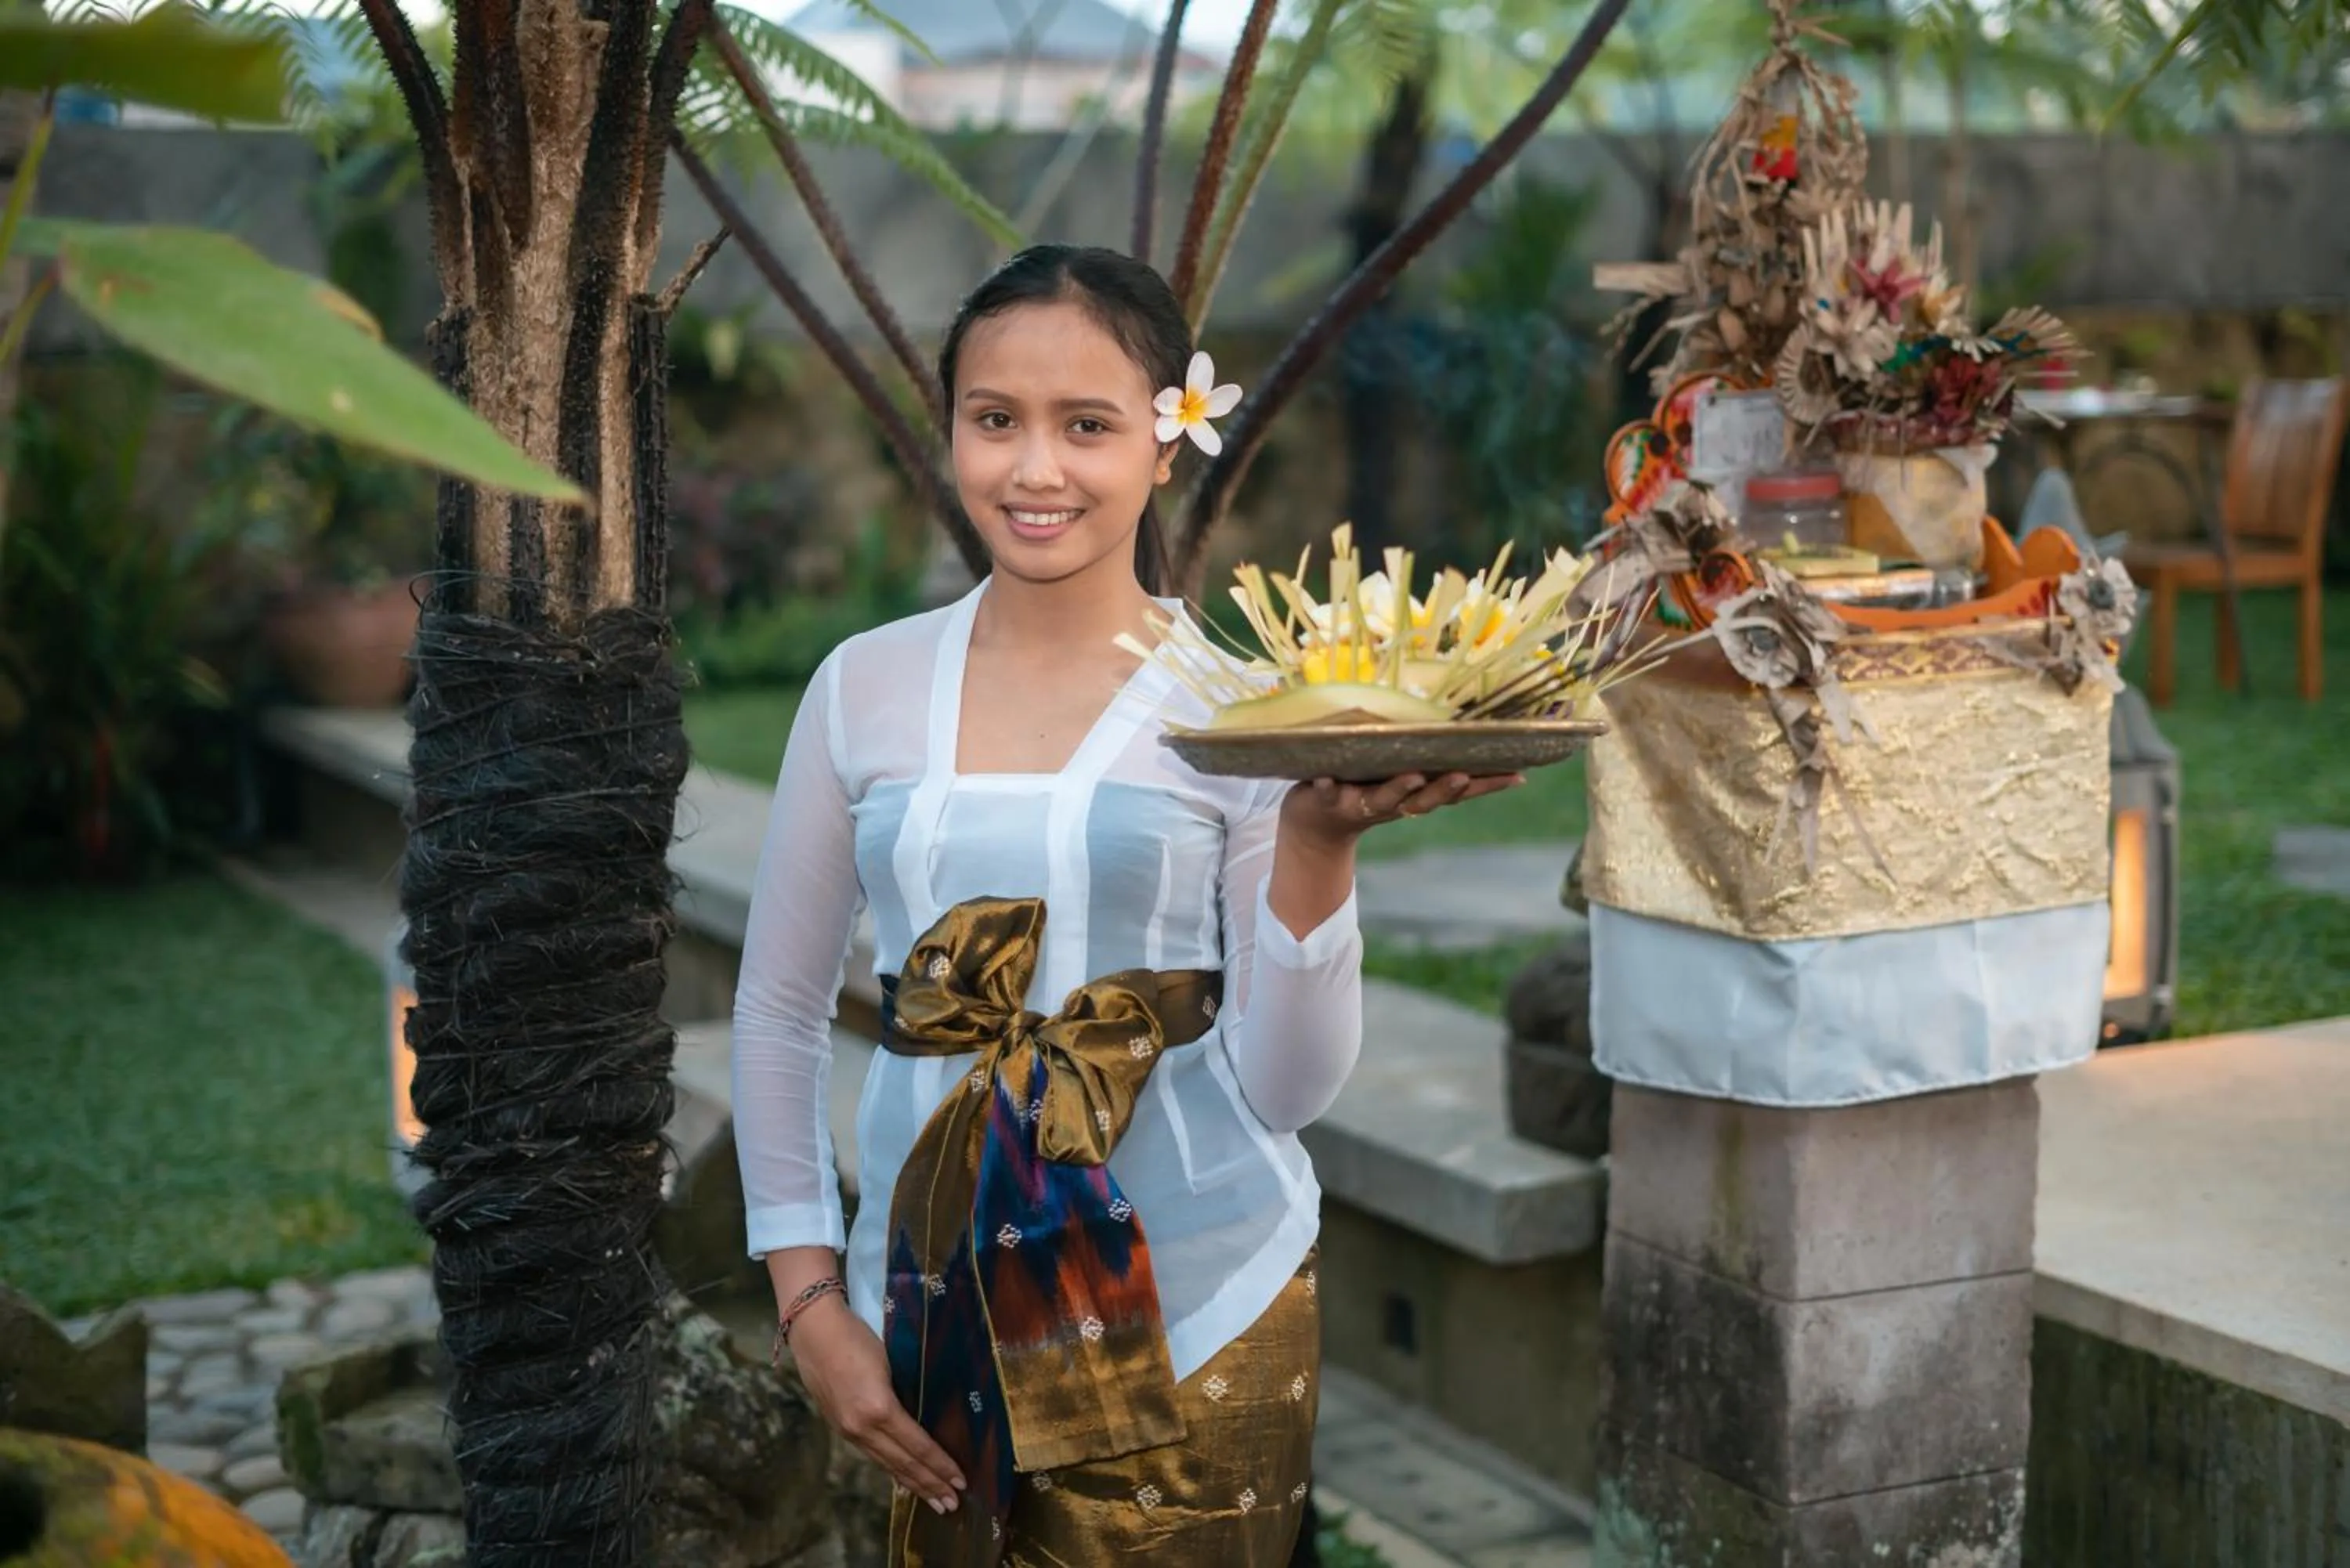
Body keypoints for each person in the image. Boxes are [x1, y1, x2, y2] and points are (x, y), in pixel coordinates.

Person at [730, 243, 1517, 1567]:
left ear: (1167, 442)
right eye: (997, 421)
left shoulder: (1246, 708)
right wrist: (808, 1300)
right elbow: (777, 1009)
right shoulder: (859, 687)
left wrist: (1321, 840)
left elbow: (1289, 1088)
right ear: (953, 433)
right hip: (925, 1312)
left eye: (1086, 425)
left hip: (1203, 1306)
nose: (1036, 470)